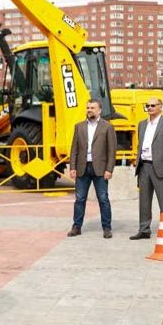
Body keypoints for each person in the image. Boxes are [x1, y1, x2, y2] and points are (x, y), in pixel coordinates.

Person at [67, 99, 117, 239]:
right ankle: (76, 227)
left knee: (103, 199)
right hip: (82, 168)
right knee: (79, 199)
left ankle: (106, 228)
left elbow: (112, 151)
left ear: (99, 110)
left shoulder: (107, 127)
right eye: (88, 107)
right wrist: (72, 167)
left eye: (92, 108)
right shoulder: (79, 127)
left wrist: (109, 169)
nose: (89, 110)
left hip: (100, 168)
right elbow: (74, 149)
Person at [131, 97, 163, 240]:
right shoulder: (142, 124)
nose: (150, 108)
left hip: (161, 167)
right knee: (144, 201)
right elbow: (139, 145)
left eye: (153, 105)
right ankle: (144, 229)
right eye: (148, 105)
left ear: (161, 106)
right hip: (144, 166)